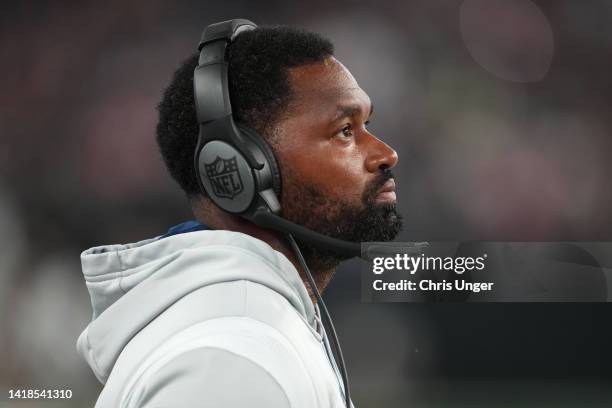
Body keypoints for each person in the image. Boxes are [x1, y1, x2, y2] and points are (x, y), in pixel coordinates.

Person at [77, 21, 402, 408]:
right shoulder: (234, 364)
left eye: (368, 124)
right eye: (345, 130)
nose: (386, 154)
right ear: (242, 168)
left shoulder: (245, 339)